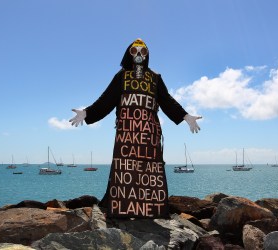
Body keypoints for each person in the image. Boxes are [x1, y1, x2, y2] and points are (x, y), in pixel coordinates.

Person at [70, 38, 202, 218]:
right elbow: (107, 99)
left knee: (149, 171)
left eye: (143, 51)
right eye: (135, 51)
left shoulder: (155, 78)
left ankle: (148, 208)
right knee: (124, 169)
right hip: (126, 132)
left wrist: (185, 116)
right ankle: (120, 205)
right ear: (129, 53)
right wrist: (87, 113)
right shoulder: (122, 76)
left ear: (147, 55)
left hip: (149, 133)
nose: (139, 54)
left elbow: (166, 100)